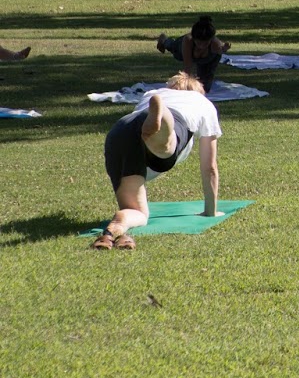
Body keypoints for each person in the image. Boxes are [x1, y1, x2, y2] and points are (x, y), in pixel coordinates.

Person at [92, 73, 221, 250]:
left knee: (139, 213)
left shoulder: (152, 93)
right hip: (167, 125)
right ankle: (163, 116)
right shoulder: (202, 102)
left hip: (120, 131)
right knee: (165, 144)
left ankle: (117, 225)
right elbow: (210, 167)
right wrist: (210, 211)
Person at [155, 16, 230, 93]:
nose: (202, 46)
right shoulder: (188, 40)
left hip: (207, 60)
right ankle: (164, 40)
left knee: (204, 88)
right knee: (174, 48)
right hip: (182, 50)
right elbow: (188, 67)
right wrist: (185, 85)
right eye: (199, 43)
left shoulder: (215, 44)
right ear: (194, 39)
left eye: (205, 43)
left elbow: (221, 50)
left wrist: (224, 48)